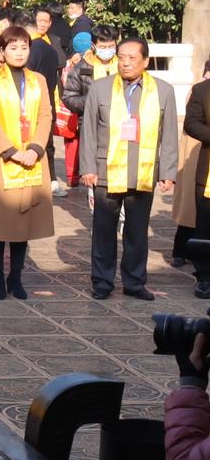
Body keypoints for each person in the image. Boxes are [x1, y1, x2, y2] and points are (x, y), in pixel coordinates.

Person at [79, 37, 179, 301]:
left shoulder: (163, 90)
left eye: (132, 57)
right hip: (105, 171)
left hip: (142, 171)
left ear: (145, 61)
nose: (125, 62)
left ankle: (134, 282)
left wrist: (168, 172)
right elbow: (88, 130)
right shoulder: (100, 89)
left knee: (136, 231)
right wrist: (88, 167)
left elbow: (168, 134)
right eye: (121, 57)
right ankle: (102, 281)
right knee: (103, 230)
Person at [0, 28, 56, 300]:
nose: (19, 52)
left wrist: (34, 148)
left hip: (32, 158)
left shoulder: (39, 81)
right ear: (3, 51)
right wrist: (10, 150)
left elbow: (46, 116)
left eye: (24, 47)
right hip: (1, 158)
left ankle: (15, 277)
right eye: (13, 47)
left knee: (23, 222)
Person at [184, 60, 210, 298]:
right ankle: (204, 276)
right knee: (205, 225)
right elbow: (191, 123)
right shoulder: (202, 90)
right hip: (209, 171)